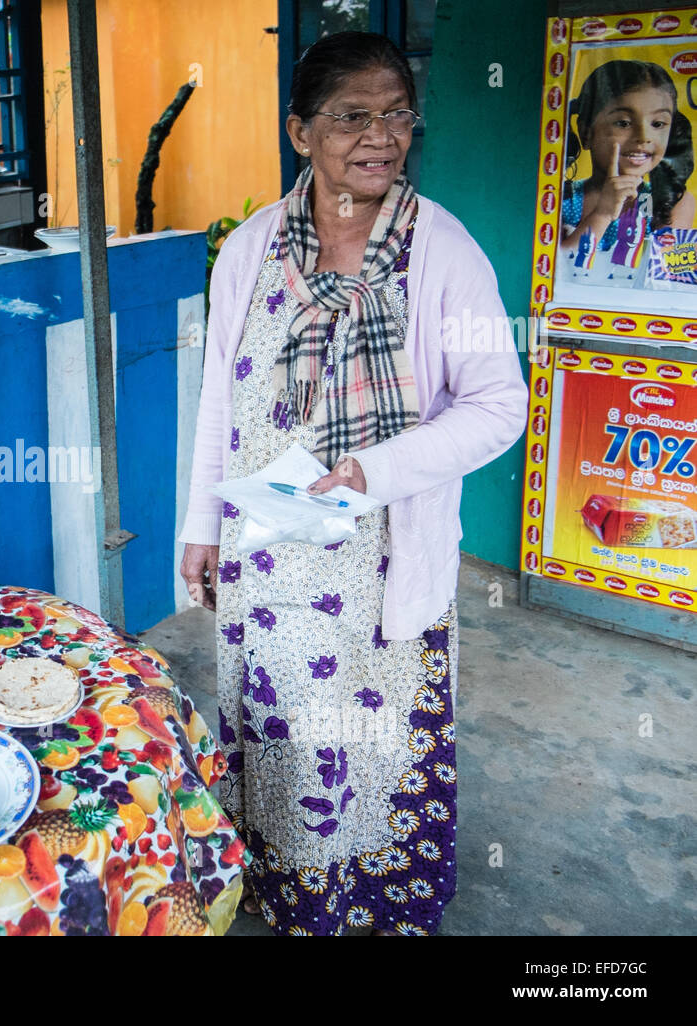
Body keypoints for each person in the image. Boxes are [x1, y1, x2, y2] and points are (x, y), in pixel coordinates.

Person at [178, 31, 527, 936]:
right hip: (265, 557)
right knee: (278, 731)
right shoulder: (249, 249)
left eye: (397, 115)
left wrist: (372, 469)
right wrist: (199, 526)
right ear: (301, 131)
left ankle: (368, 902)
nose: (381, 137)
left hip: (373, 568)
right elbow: (221, 397)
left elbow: (499, 406)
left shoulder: (443, 252)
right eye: (352, 117)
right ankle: (281, 890)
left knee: (359, 751)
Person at [559, 59, 694, 277]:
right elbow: (556, 272)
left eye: (658, 124)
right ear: (586, 132)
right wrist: (602, 213)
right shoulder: (561, 198)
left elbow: (670, 278)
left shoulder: (674, 201)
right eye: (623, 123)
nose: (643, 137)